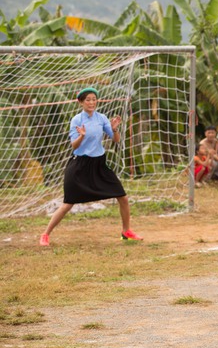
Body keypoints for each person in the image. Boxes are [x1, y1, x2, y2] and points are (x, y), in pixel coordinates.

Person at [39, 87, 142, 246]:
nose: (91, 102)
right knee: (68, 203)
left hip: (99, 164)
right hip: (80, 165)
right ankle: (45, 234)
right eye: (88, 100)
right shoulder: (76, 120)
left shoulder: (101, 118)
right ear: (81, 102)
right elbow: (74, 146)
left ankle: (126, 231)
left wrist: (114, 129)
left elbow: (115, 139)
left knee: (123, 197)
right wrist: (81, 136)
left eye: (94, 99)